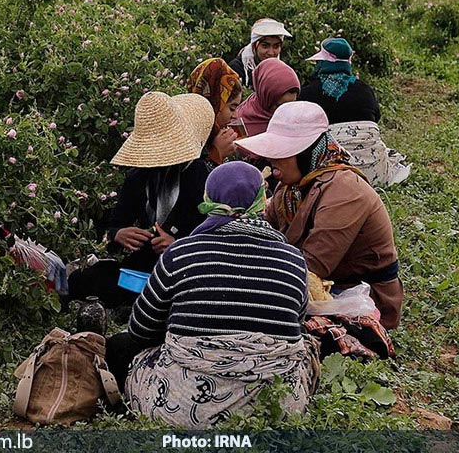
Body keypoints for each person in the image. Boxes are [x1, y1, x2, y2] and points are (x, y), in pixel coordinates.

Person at [111, 162, 319, 427]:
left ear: (208, 199)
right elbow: (295, 327)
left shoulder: (180, 254)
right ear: (261, 201)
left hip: (184, 408)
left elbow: (140, 330)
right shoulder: (293, 260)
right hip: (274, 407)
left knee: (120, 347)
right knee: (309, 347)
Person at [236, 101, 403, 330]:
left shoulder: (345, 190)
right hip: (317, 284)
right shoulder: (292, 187)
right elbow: (267, 227)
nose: (272, 159)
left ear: (307, 153)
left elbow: (312, 268)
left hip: (358, 298)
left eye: (282, 152)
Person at [67, 92, 214, 308]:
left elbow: (214, 236)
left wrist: (178, 245)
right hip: (146, 269)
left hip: (188, 271)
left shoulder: (204, 179)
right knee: (84, 281)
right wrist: (118, 234)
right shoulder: (141, 176)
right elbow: (117, 220)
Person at [300, 37, 410, 188]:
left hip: (331, 175)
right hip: (373, 172)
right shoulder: (365, 90)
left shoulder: (307, 93)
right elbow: (375, 118)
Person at [186, 58, 243, 167]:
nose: (235, 115)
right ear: (215, 104)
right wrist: (216, 154)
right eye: (232, 108)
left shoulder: (213, 136)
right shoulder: (188, 139)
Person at [236, 58, 301, 138]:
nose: (285, 112)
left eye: (291, 106)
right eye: (279, 106)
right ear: (265, 97)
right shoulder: (239, 124)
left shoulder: (296, 122)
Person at [228, 18, 292, 89]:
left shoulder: (281, 70)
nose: (271, 53)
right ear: (254, 46)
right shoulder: (237, 69)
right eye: (265, 46)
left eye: (276, 46)